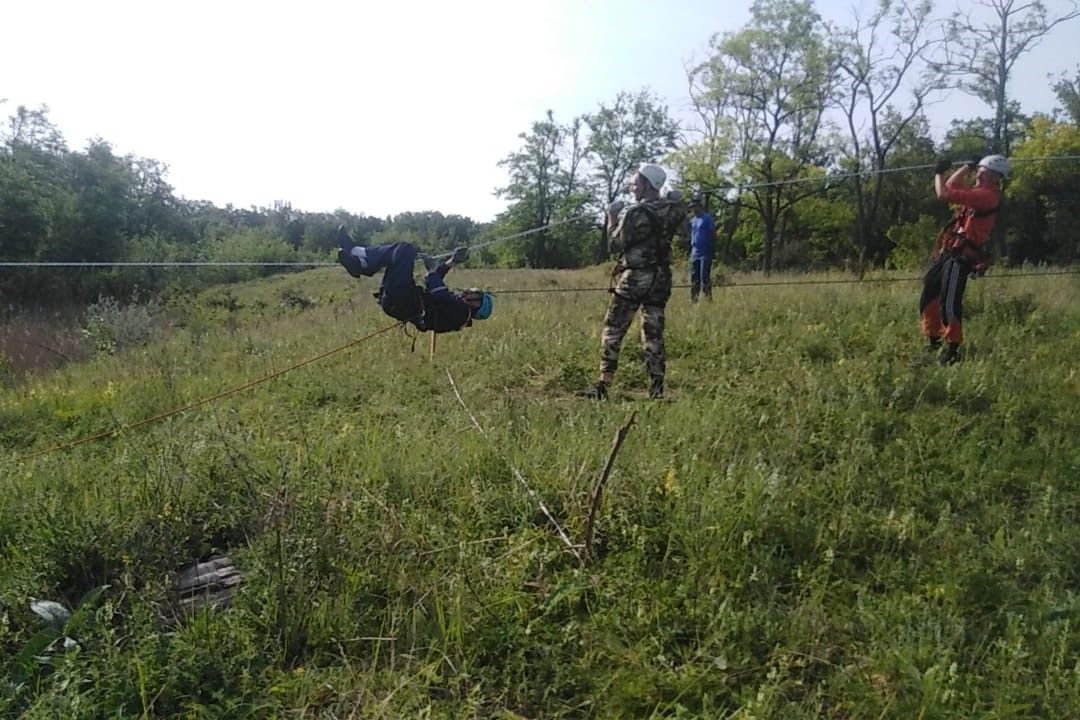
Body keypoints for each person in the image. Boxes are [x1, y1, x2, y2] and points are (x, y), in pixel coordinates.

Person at [577, 163, 687, 400]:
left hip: (636, 277)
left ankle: (603, 385)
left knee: (613, 328)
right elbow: (681, 214)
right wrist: (677, 200)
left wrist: (611, 217)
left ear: (647, 185)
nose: (631, 187)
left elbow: (615, 245)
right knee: (653, 331)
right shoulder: (672, 210)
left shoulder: (635, 214)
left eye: (635, 183)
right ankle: (656, 389)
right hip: (661, 279)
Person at [920, 154, 1010, 364]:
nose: (979, 174)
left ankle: (952, 349)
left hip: (962, 256)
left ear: (996, 178)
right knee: (929, 293)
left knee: (948, 301)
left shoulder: (987, 196)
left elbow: (943, 193)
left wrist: (938, 172)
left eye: (984, 171)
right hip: (950, 251)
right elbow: (951, 185)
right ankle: (933, 340)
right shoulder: (978, 192)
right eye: (979, 170)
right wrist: (966, 167)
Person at [335, 226, 493, 333]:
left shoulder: (460, 311)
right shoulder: (456, 313)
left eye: (473, 292)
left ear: (477, 303)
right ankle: (360, 260)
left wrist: (432, 270)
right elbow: (436, 287)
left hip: (402, 297)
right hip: (397, 300)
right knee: (396, 254)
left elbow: (439, 292)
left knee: (405, 250)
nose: (467, 291)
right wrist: (450, 263)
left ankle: (361, 260)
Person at [688, 196, 717, 302]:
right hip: (694, 252)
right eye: (691, 207)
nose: (693, 209)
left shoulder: (707, 218)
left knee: (704, 277)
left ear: (699, 207)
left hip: (705, 252)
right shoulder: (692, 221)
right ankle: (693, 300)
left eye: (695, 207)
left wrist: (713, 250)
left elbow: (713, 234)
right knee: (694, 278)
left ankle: (708, 299)